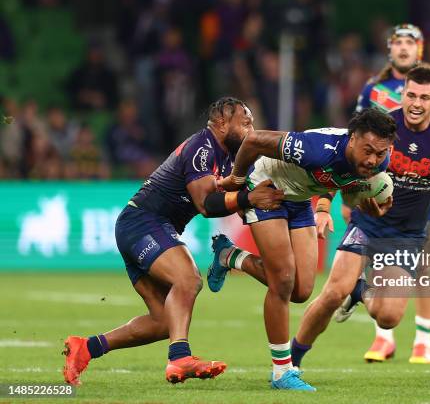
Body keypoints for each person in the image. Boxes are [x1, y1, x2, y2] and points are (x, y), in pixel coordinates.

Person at [62, 97, 284, 386]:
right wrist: (247, 198)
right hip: (143, 222)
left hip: (144, 226)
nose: (251, 130)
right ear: (220, 123)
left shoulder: (226, 156)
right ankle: (179, 358)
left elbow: (227, 191)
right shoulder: (202, 147)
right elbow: (206, 204)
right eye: (245, 123)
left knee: (164, 320)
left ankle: (87, 348)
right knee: (188, 279)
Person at [289, 66, 430, 371]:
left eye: (424, 97)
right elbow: (340, 158)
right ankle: (290, 362)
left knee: (389, 316)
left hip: (405, 236)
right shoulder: (383, 125)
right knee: (332, 293)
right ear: (402, 93)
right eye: (410, 95)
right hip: (367, 223)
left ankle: (361, 291)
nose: (416, 103)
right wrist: (325, 204)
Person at [208, 108, 397, 391]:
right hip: (266, 188)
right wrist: (236, 181)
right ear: (353, 139)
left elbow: (340, 179)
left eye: (380, 153)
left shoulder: (378, 164)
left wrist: (357, 205)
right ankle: (282, 372)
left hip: (299, 200)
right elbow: (254, 141)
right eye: (368, 150)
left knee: (302, 290)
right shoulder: (316, 149)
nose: (372, 159)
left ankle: (230, 256)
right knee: (283, 281)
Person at [351, 23, 430, 364]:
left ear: (421, 48)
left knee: (424, 259)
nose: (403, 48)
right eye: (397, 42)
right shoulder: (373, 89)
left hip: (427, 185)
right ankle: (384, 337)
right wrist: (350, 192)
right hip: (381, 184)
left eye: (410, 42)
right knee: (378, 256)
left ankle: (424, 339)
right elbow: (355, 141)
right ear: (389, 49)